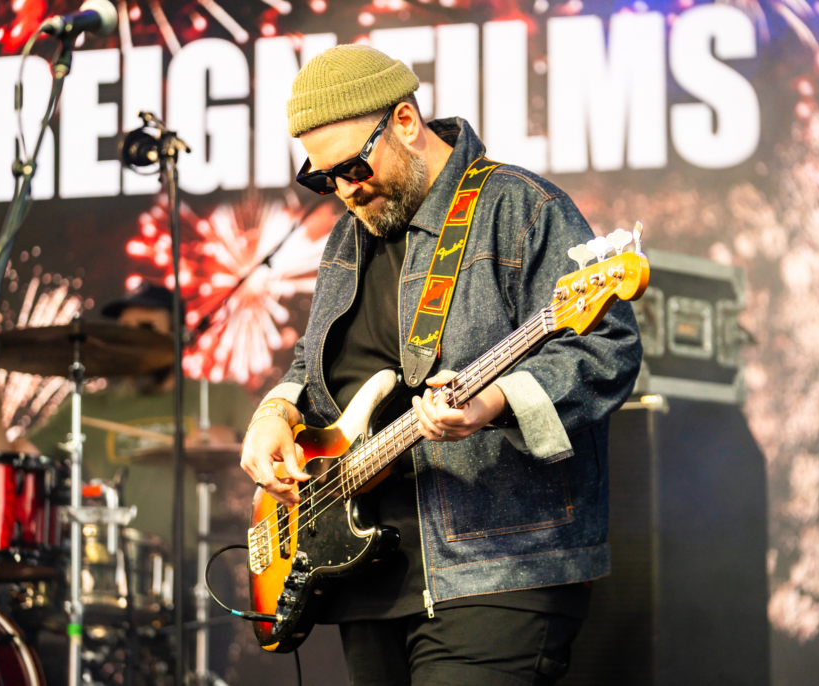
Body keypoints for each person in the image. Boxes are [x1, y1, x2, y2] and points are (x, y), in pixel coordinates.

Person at [238, 45, 642, 686]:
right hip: (364, 579)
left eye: (353, 167)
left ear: (404, 121)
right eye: (324, 179)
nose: (345, 190)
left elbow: (607, 349)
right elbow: (313, 364)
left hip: (497, 569)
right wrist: (275, 410)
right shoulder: (348, 236)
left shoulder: (518, 206)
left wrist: (494, 402)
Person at [27, 282, 255, 545]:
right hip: (112, 559)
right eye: (125, 331)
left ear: (177, 335)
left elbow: (276, 459)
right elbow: (16, 457)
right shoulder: (86, 408)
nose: (134, 340)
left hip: (208, 558)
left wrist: (236, 439)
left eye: (147, 329)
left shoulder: (221, 397)